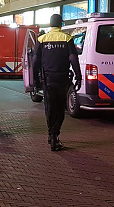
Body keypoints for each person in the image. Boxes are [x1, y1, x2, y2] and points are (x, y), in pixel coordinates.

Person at [33, 13, 82, 151]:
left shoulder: (42, 39)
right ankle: (55, 135)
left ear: (50, 24)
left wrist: (35, 79)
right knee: (60, 108)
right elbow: (73, 59)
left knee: (49, 108)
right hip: (62, 79)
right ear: (61, 24)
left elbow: (35, 61)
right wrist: (78, 76)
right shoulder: (67, 39)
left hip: (47, 80)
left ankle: (51, 134)